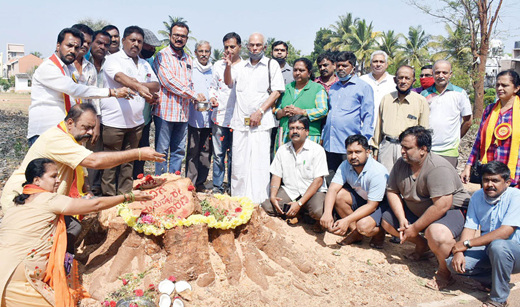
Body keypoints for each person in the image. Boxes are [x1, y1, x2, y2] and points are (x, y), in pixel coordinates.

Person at [0, 158, 152, 307]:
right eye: (53, 176)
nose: (58, 180)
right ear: (37, 180)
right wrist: (128, 197)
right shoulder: (48, 199)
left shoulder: (16, 204)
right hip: (19, 278)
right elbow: (96, 204)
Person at [381, 126, 470, 291]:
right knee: (387, 222)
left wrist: (415, 227)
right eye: (402, 147)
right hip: (420, 210)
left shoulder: (438, 168)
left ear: (423, 150)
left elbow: (442, 205)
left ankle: (444, 273)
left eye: (407, 148)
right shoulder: (401, 164)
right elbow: (392, 191)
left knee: (437, 234)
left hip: (450, 211)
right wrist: (402, 219)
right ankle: (423, 246)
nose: (402, 151)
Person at [27, 27, 130, 146]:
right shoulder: (48, 67)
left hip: (64, 132)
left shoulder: (69, 69)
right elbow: (74, 89)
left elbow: (83, 97)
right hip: (44, 133)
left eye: (76, 47)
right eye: (69, 46)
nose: (72, 50)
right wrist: (113, 92)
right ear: (58, 46)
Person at [447, 161, 520, 307]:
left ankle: (498, 300)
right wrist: (460, 252)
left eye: (495, 180)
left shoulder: (516, 196)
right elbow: (470, 227)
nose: (489, 184)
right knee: (452, 264)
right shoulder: (477, 196)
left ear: (507, 182)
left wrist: (466, 244)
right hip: (491, 250)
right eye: (486, 180)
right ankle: (495, 280)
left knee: (498, 245)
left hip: (515, 252)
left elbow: (505, 232)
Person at [225, 32, 284, 203]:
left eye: (258, 45)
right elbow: (229, 83)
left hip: (261, 122)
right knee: (239, 162)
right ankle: (238, 199)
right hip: (240, 121)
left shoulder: (271, 65)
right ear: (247, 46)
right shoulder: (240, 66)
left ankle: (260, 201)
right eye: (252, 45)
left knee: (259, 163)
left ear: (264, 47)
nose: (255, 48)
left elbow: (276, 91)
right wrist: (228, 66)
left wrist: (260, 111)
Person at [100, 26, 160, 196]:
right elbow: (120, 78)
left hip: (136, 123)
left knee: (129, 162)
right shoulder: (113, 60)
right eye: (132, 40)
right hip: (114, 122)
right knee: (110, 162)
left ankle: (125, 197)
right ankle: (108, 200)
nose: (136, 44)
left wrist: (137, 84)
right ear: (123, 41)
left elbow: (156, 85)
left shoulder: (143, 64)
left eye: (139, 42)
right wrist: (137, 85)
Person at [153, 21, 206, 175]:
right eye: (176, 35)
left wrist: (197, 98)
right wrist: (193, 95)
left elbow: (190, 84)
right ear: (170, 36)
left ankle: (174, 184)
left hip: (182, 114)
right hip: (164, 112)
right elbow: (168, 82)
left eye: (183, 36)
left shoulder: (188, 59)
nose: (179, 39)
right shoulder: (162, 56)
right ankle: (161, 184)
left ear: (187, 39)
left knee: (178, 152)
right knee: (162, 152)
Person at [321, 134, 389, 248]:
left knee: (363, 226)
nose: (353, 156)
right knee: (339, 195)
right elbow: (332, 189)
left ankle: (379, 232)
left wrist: (346, 220)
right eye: (349, 152)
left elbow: (372, 206)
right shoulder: (345, 165)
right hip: (362, 198)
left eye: (358, 152)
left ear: (368, 152)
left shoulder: (377, 171)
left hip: (379, 204)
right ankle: (356, 233)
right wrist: (327, 213)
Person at [261, 115, 328, 230]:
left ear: (307, 132)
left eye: (298, 128)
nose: (294, 131)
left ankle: (303, 212)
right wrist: (273, 195)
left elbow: (318, 181)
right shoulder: (283, 150)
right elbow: (276, 175)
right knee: (267, 207)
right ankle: (297, 213)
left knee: (318, 212)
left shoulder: (317, 150)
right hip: (291, 191)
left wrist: (299, 203)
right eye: (292, 128)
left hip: (313, 192)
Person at [461, 70, 520, 188]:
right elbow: (479, 141)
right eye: (497, 85)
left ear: (516, 88)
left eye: (505, 85)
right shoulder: (489, 110)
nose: (499, 88)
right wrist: (468, 166)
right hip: (490, 172)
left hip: (514, 172)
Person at [322, 51, 374, 182]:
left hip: (350, 145)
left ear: (353, 68)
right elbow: (330, 113)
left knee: (351, 180)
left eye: (344, 66)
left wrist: (363, 140)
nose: (340, 69)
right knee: (330, 178)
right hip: (330, 143)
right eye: (338, 65)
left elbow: (368, 115)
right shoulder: (333, 88)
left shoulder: (363, 87)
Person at [373, 65, 430, 172]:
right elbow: (378, 128)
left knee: (406, 182)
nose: (403, 81)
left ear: (413, 81)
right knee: (385, 181)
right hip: (387, 148)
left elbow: (423, 131)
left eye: (407, 78)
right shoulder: (386, 99)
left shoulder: (420, 101)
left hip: (409, 149)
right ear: (395, 80)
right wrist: (375, 152)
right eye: (400, 78)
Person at [421, 60, 472, 168]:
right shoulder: (424, 94)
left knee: (446, 182)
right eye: (437, 72)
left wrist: (456, 138)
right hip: (427, 149)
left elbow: (468, 121)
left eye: (444, 72)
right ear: (433, 74)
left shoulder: (460, 94)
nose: (441, 75)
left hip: (449, 151)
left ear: (450, 74)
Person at [208, 32, 243, 194]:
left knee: (235, 155)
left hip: (237, 119)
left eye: (232, 47)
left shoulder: (245, 67)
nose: (229, 50)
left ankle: (232, 187)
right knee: (219, 154)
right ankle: (217, 186)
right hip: (219, 116)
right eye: (226, 47)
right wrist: (212, 98)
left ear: (239, 47)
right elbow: (213, 87)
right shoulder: (217, 65)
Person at [274, 58, 327, 151]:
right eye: (295, 70)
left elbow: (323, 110)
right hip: (286, 134)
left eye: (301, 70)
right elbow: (276, 111)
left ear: (309, 73)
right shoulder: (286, 88)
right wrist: (283, 112)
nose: (297, 73)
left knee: (306, 164)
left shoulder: (317, 88)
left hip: (309, 135)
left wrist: (302, 112)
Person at [133, 28, 162, 179]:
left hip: (144, 118)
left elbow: (155, 85)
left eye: (153, 47)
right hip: (128, 118)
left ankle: (138, 179)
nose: (152, 49)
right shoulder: (126, 61)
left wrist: (140, 86)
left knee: (142, 152)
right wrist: (142, 86)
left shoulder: (149, 62)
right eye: (149, 46)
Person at [86, 30, 111, 195]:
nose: (102, 47)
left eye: (106, 45)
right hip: (87, 117)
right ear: (91, 43)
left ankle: (98, 188)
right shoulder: (83, 63)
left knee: (102, 152)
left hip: (108, 117)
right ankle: (87, 189)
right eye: (99, 43)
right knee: (87, 152)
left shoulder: (111, 64)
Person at [186, 41, 213, 192]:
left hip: (210, 117)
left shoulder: (214, 69)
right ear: (195, 52)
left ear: (210, 53)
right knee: (192, 150)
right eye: (201, 51)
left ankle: (201, 182)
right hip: (193, 116)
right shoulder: (190, 69)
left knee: (206, 151)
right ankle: (190, 181)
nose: (204, 54)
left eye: (206, 51)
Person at [360, 50, 396, 128]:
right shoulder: (362, 81)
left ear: (386, 65)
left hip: (387, 126)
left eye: (381, 62)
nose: (378, 64)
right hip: (364, 127)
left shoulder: (394, 82)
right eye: (375, 61)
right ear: (370, 64)